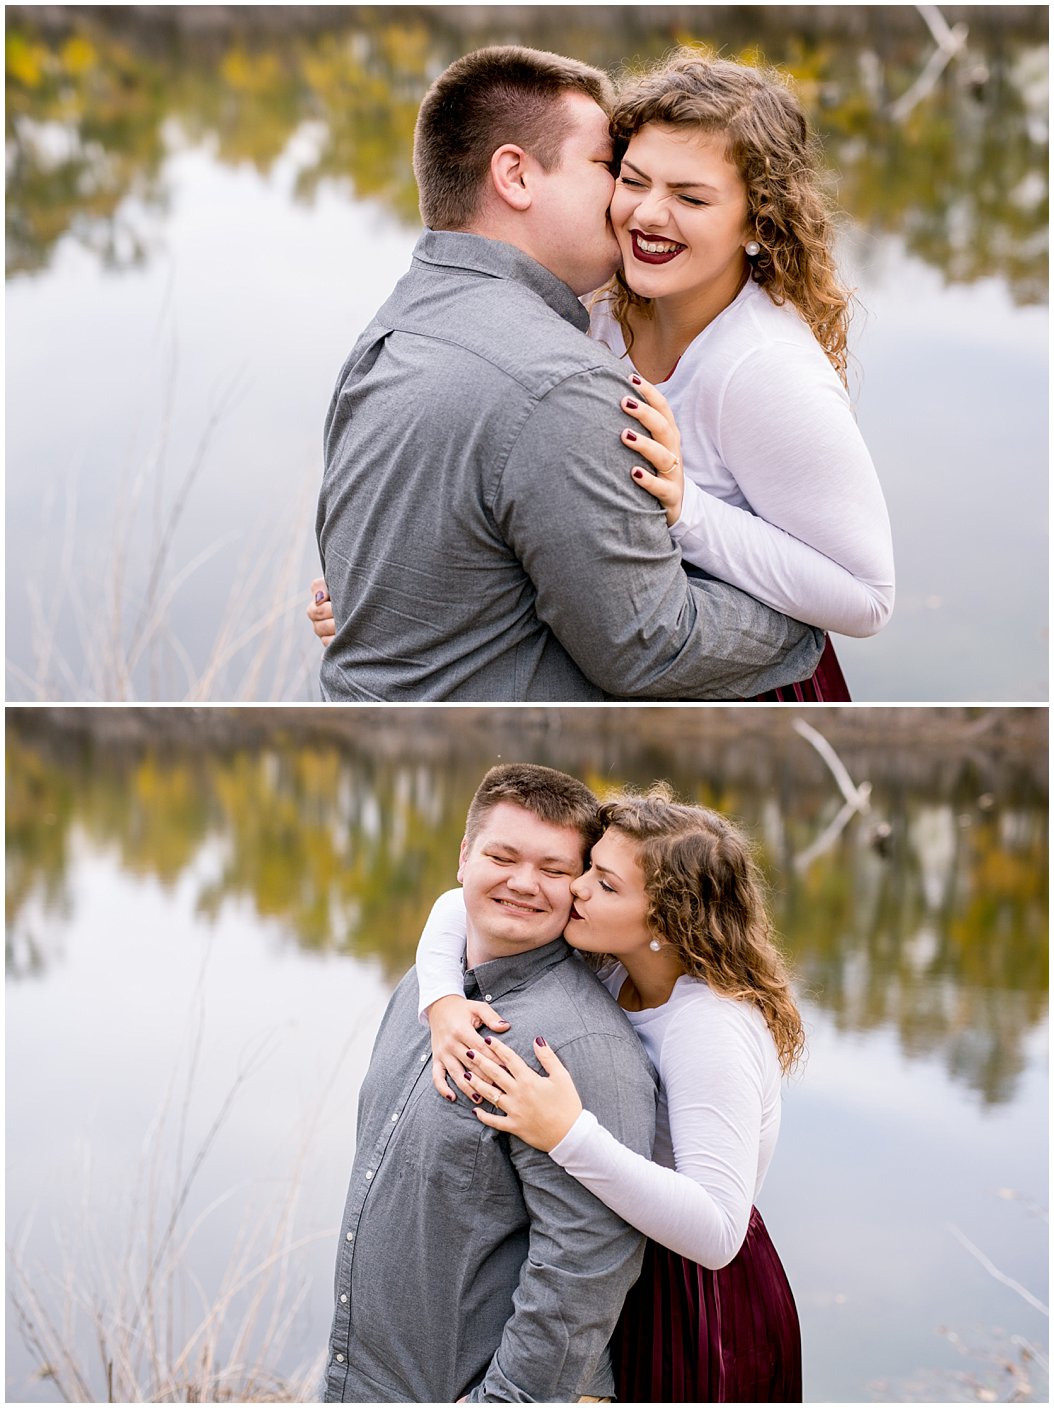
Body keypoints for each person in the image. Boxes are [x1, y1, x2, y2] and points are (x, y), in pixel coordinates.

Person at [310, 47, 892, 702]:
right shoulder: (594, 311)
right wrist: (392, 595)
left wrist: (689, 511)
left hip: (738, 677)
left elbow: (867, 597)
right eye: (628, 177)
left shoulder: (765, 370)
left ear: (758, 221)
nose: (645, 213)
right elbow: (515, 498)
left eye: (691, 196)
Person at [416, 784, 803, 1402]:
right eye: (591, 869)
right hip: (619, 1269)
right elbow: (450, 905)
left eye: (606, 884)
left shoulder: (710, 1026)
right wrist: (441, 1002)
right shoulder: (617, 963)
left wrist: (567, 1135)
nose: (577, 889)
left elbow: (717, 1232)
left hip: (696, 1303)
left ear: (667, 922)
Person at [322, 763, 658, 1403]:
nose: (523, 883)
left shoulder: (582, 1045)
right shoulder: (425, 993)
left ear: (580, 885)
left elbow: (586, 1262)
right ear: (463, 858)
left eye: (554, 870)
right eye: (502, 856)